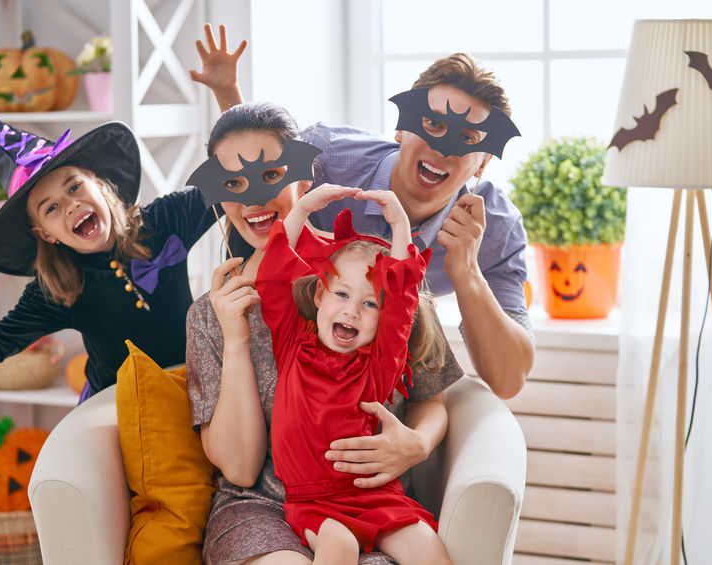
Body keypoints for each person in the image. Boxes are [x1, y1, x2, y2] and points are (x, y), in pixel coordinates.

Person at [190, 24, 535, 400]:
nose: (442, 148)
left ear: (483, 162)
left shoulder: (494, 228)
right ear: (401, 128)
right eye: (432, 124)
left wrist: (467, 272)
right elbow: (254, 161)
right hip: (285, 331)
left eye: (467, 138)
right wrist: (228, 94)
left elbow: (508, 381)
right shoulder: (326, 156)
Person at [186, 101, 463, 565]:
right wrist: (235, 340)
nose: (253, 199)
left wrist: (416, 444)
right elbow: (241, 469)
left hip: (372, 498)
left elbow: (430, 397)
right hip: (260, 510)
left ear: (305, 177)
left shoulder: (375, 273)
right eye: (233, 183)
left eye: (271, 175)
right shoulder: (209, 315)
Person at [0, 106, 218, 400]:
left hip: (195, 387)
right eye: (51, 208)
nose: (71, 205)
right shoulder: (58, 290)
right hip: (119, 407)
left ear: (99, 183)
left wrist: (225, 89)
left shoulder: (165, 220)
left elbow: (230, 179)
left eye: (74, 187)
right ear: (45, 234)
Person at [254, 183, 453, 564]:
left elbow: (402, 298)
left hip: (375, 495)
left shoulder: (380, 365)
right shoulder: (292, 343)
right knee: (340, 545)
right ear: (319, 296)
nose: (352, 311)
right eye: (342, 294)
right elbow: (273, 277)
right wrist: (302, 209)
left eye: (370, 303)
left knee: (429, 549)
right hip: (312, 501)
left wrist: (400, 225)